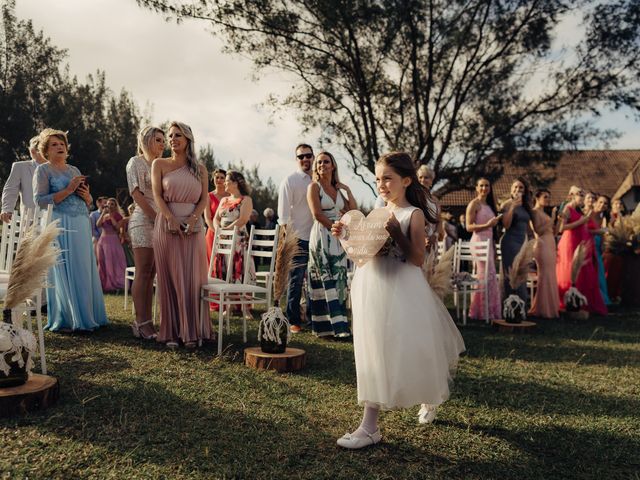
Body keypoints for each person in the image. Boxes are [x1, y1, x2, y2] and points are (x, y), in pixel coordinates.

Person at [331, 152, 465, 449]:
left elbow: (417, 259)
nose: (382, 184)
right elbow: (360, 253)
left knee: (410, 349)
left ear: (406, 180)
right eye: (378, 179)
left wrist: (397, 234)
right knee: (373, 351)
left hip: (402, 288)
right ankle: (370, 427)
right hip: (372, 287)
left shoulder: (412, 215)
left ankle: (429, 397)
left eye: (388, 178)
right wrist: (343, 236)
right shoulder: (377, 211)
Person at [33, 128, 108, 332]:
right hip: (59, 222)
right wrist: (67, 190)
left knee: (83, 267)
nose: (59, 147)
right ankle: (67, 318)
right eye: (54, 145)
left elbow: (88, 203)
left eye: (62, 144)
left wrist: (87, 196)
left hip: (81, 221)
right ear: (46, 150)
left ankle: (88, 314)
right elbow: (39, 201)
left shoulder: (74, 170)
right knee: (63, 268)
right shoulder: (43, 170)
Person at [152, 121, 211, 349]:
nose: (173, 139)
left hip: (193, 228)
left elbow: (204, 199)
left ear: (188, 139)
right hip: (167, 225)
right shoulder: (159, 164)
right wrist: (170, 218)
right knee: (171, 278)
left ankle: (194, 331)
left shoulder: (200, 169)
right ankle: (172, 332)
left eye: (178, 135)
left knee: (193, 279)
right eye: (170, 135)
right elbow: (157, 195)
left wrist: (194, 219)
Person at [306, 151, 356, 338]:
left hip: (339, 238)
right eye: (319, 162)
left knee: (340, 278)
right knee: (324, 277)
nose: (322, 165)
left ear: (333, 165)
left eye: (326, 161)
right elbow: (317, 214)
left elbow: (353, 211)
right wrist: (338, 229)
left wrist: (348, 190)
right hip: (322, 236)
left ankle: (341, 327)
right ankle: (324, 328)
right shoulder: (313, 187)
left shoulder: (338, 190)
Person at [126, 126, 165, 340]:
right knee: (143, 271)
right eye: (158, 140)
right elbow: (136, 193)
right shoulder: (136, 162)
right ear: (147, 140)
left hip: (160, 222)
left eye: (163, 141)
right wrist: (155, 217)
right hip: (143, 219)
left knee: (152, 274)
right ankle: (141, 322)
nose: (162, 144)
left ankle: (148, 322)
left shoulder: (161, 165)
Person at [277, 143, 314, 333]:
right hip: (297, 238)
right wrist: (287, 242)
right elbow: (283, 217)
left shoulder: (319, 180)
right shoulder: (290, 181)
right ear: (296, 159)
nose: (305, 159)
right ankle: (293, 320)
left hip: (316, 237)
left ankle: (314, 318)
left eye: (308, 155)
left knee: (316, 280)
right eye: (301, 157)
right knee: (296, 281)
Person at [556, 186, 607, 315]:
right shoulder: (567, 208)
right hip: (569, 242)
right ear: (571, 195)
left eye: (582, 194)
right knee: (570, 270)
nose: (581, 197)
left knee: (582, 271)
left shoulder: (578, 210)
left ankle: (581, 301)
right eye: (579, 194)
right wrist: (581, 222)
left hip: (579, 241)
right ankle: (569, 301)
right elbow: (561, 228)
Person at [212, 171, 256, 291]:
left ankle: (244, 305)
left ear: (236, 183)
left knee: (238, 269)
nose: (224, 183)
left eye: (227, 181)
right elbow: (216, 218)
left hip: (238, 241)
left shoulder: (246, 200)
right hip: (223, 239)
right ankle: (229, 304)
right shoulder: (224, 200)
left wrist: (227, 229)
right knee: (226, 269)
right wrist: (218, 229)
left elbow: (242, 220)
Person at [465, 178, 502, 320]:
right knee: (484, 275)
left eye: (487, 185)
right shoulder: (474, 204)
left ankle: (491, 311)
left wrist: (493, 246)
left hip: (489, 243)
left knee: (491, 275)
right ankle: (479, 311)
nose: (484, 188)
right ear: (476, 187)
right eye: (481, 185)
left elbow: (493, 230)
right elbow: (468, 227)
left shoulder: (490, 205)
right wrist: (487, 224)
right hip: (479, 242)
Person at [500, 178, 532, 302]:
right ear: (511, 189)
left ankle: (521, 304)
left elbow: (528, 226)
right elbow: (506, 225)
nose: (518, 190)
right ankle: (509, 305)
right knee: (511, 274)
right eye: (515, 187)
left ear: (524, 191)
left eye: (521, 187)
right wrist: (513, 206)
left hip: (522, 242)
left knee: (521, 272)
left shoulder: (526, 206)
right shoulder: (507, 204)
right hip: (510, 242)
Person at [529, 189, 559, 318]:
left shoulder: (544, 213)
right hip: (542, 245)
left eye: (549, 197)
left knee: (551, 275)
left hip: (550, 243)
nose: (548, 199)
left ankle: (551, 307)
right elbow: (538, 231)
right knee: (545, 275)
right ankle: (543, 308)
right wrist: (552, 219)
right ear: (537, 197)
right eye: (545, 197)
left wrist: (559, 220)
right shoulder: (534, 212)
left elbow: (554, 232)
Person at [1, 136, 47, 222]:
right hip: (31, 219)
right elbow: (10, 189)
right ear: (33, 151)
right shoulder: (20, 167)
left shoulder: (58, 168)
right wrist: (7, 209)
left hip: (56, 218)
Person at [96, 197, 127, 292]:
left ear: (115, 206)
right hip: (102, 240)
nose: (109, 205)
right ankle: (103, 284)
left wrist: (111, 215)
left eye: (112, 204)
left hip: (112, 241)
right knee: (102, 262)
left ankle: (114, 284)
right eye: (108, 204)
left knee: (111, 262)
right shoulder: (104, 215)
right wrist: (103, 214)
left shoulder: (118, 216)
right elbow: (97, 225)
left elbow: (117, 227)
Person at [588, 195, 611, 306]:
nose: (603, 205)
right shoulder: (588, 214)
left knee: (599, 272)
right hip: (588, 244)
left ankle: (601, 299)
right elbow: (584, 230)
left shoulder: (603, 217)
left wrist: (602, 245)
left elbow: (602, 235)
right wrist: (599, 231)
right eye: (601, 202)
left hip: (597, 246)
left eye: (605, 203)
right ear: (595, 202)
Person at [204, 168, 229, 265]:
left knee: (228, 264)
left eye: (222, 178)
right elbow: (207, 218)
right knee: (213, 265)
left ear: (226, 180)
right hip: (213, 233)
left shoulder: (230, 196)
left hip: (228, 233)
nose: (219, 180)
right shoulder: (208, 196)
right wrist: (218, 232)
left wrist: (226, 233)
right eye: (216, 177)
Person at [416, 165, 442, 251]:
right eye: (420, 177)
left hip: (433, 240)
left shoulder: (435, 200)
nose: (422, 180)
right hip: (418, 239)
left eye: (426, 177)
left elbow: (439, 221)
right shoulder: (414, 197)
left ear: (431, 180)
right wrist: (425, 237)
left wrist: (435, 235)